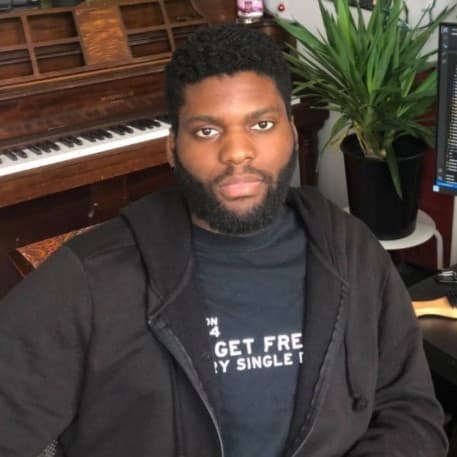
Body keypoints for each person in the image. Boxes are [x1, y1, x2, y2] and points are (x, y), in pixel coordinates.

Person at [0, 23, 447, 457]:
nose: (237, 152)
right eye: (207, 130)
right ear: (172, 148)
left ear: (292, 132)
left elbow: (411, 413)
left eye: (262, 124)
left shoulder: (353, 251)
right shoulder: (89, 278)